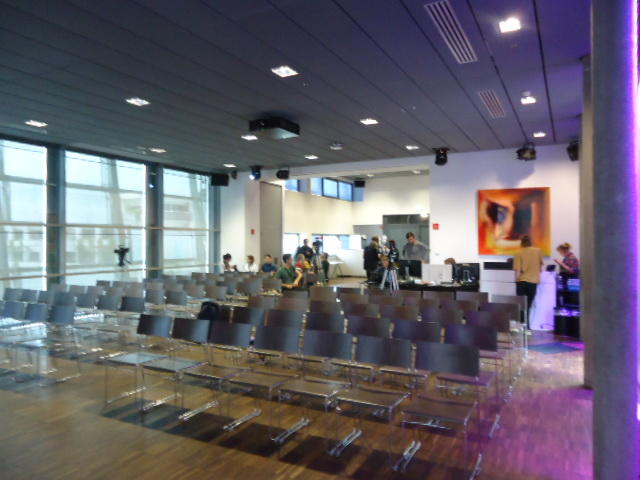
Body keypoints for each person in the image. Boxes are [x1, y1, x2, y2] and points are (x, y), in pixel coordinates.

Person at [513, 235, 544, 324]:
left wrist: (516, 281)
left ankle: (523, 325)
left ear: (521, 243)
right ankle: (527, 325)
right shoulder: (538, 251)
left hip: (522, 282)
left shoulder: (518, 253)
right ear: (530, 242)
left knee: (521, 305)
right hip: (533, 282)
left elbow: (518, 270)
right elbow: (541, 268)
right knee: (528, 305)